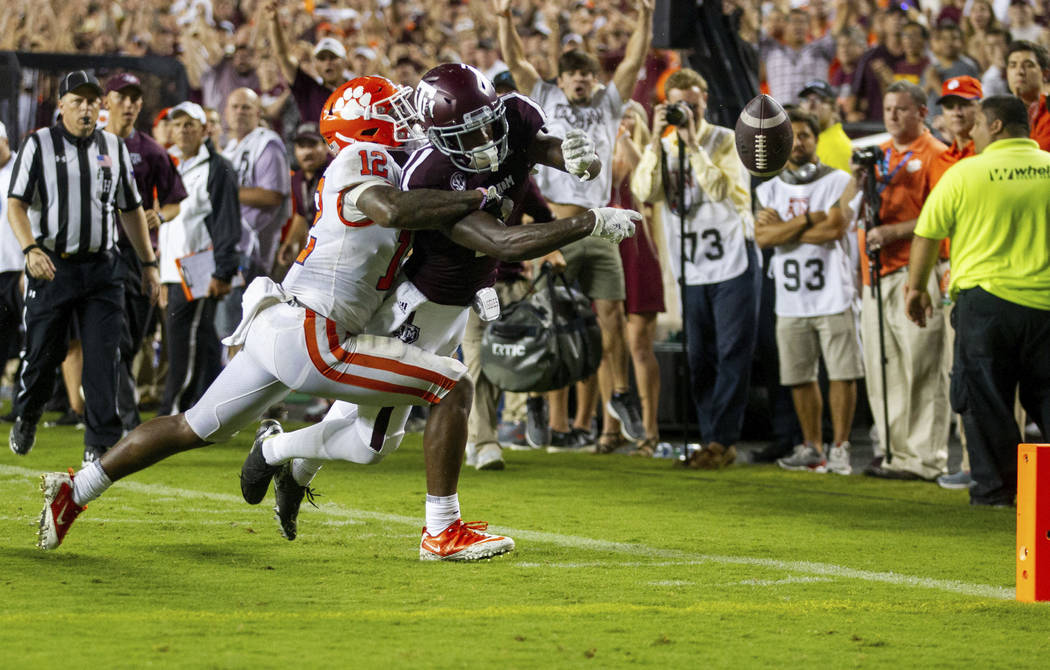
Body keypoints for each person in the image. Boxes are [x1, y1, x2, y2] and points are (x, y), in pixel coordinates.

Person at [36, 75, 633, 559]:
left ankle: (76, 489)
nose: (409, 118)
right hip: (314, 333)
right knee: (453, 384)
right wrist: (484, 197)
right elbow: (395, 206)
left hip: (286, 325)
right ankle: (441, 531)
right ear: (369, 126)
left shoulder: (394, 159)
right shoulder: (360, 163)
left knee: (191, 427)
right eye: (393, 110)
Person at [255, 64, 634, 538]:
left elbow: (545, 151)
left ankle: (288, 464)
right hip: (419, 306)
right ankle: (285, 456)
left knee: (361, 427)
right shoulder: (428, 171)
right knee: (371, 442)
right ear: (434, 134)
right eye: (465, 134)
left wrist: (581, 159)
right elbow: (502, 241)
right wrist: (587, 224)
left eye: (486, 125)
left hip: (459, 302)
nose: (482, 142)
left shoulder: (514, 113)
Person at [497, 0, 650, 448]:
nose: (581, 79)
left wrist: (644, 18)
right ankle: (541, 403)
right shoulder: (542, 96)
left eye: (587, 73)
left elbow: (636, 60)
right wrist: (505, 20)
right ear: (560, 80)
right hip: (554, 225)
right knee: (549, 320)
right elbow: (516, 61)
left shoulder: (609, 102)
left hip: (598, 225)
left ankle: (621, 394)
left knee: (612, 314)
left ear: (594, 79)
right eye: (573, 74)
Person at [6, 71, 161, 463]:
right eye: (78, 101)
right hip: (52, 266)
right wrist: (30, 249)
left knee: (104, 355)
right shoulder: (38, 144)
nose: (87, 108)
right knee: (42, 355)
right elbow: (16, 205)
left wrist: (148, 263)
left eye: (93, 101)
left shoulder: (113, 146)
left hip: (103, 268)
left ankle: (99, 443)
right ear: (61, 106)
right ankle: (28, 412)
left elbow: (131, 208)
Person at [905, 95, 1050, 506]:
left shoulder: (965, 174)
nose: (974, 133)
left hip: (985, 307)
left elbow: (928, 233)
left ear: (997, 126)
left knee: (985, 403)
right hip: (1046, 308)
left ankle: (998, 493)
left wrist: (916, 289)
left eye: (980, 126)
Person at [630, 68, 759, 469]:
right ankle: (709, 437)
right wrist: (655, 138)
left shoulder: (724, 140)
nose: (687, 110)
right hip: (693, 265)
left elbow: (720, 188)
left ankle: (722, 439)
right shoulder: (664, 148)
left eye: (693, 102)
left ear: (705, 99)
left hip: (733, 260)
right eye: (678, 104)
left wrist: (693, 145)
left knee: (731, 351)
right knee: (699, 355)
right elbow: (645, 191)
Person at [842, 80, 950, 481]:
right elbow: (847, 215)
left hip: (914, 271)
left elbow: (943, 216)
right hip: (875, 272)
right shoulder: (875, 155)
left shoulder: (937, 154)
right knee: (882, 365)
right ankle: (892, 452)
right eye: (888, 108)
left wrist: (894, 231)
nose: (891, 116)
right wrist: (856, 180)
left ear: (922, 112)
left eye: (902, 109)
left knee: (921, 365)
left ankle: (924, 458)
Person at [754, 110, 860, 474]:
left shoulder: (840, 180)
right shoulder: (768, 187)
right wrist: (809, 219)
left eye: (805, 136)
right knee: (799, 376)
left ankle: (841, 447)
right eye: (792, 136)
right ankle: (812, 446)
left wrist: (786, 228)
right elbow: (763, 237)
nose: (799, 143)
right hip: (790, 297)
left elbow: (835, 229)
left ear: (817, 140)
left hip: (834, 292)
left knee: (842, 372)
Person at [102, 72, 188, 430]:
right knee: (113, 336)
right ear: (106, 100)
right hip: (100, 255)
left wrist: (158, 215)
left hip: (140, 257)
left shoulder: (152, 151)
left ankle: (115, 408)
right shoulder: (90, 146)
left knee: (132, 339)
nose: (129, 104)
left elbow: (174, 202)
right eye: (122, 97)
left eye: (135, 98)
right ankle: (124, 415)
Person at [158, 102, 240, 415]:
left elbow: (226, 221)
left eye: (190, 124)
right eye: (177, 124)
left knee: (183, 340)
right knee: (201, 339)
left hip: (200, 266)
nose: (183, 130)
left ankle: (173, 410)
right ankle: (209, 409)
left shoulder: (218, 167)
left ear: (204, 129)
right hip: (174, 269)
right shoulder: (169, 163)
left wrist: (223, 270)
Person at [217, 88, 291, 339]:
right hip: (229, 246)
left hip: (251, 251)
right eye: (235, 107)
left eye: (246, 107)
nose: (240, 112)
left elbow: (273, 195)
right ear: (226, 112)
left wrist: (226, 193)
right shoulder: (230, 148)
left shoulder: (267, 143)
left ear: (258, 112)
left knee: (239, 329)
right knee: (225, 329)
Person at [265, 1, 347, 127]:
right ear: (316, 65)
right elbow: (282, 55)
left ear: (345, 62)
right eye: (322, 59)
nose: (328, 62)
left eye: (333, 57)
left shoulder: (357, 92)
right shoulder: (308, 89)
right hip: (313, 146)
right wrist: (274, 22)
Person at [0, 122, 21, 395]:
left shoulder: (21, 170)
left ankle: (27, 396)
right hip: (1, 266)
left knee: (33, 335)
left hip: (22, 266)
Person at [798, 79, 852, 172]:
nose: (810, 105)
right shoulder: (808, 141)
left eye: (818, 99)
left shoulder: (836, 147)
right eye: (806, 99)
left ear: (834, 108)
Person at [1005, 40, 1050, 151]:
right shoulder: (997, 114)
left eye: (1028, 65)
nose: (1019, 71)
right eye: (1013, 65)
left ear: (1045, 74)